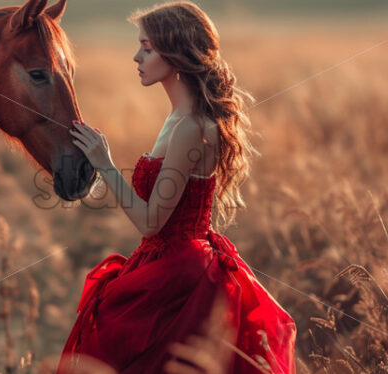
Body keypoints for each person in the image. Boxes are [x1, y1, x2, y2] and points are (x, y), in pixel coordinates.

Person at [61, 2, 297, 373]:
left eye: (148, 48)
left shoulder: (191, 127)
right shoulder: (176, 117)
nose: (136, 56)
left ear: (177, 52)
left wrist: (104, 163)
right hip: (160, 263)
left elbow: (151, 222)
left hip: (181, 277)